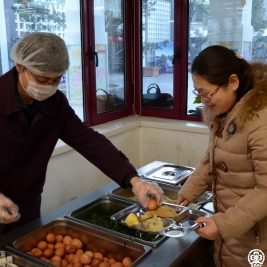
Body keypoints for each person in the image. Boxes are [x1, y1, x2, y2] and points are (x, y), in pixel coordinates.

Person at [0, 32, 164, 235]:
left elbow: (89, 142)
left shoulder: (56, 103)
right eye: (42, 79)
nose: (48, 86)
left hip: (26, 206)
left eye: (56, 80)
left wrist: (134, 180)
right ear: (20, 67)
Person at [177, 45, 267, 267]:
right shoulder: (225, 114)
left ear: (233, 82)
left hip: (256, 235)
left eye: (207, 93)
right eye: (198, 93)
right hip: (235, 228)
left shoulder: (261, 120)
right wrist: (189, 191)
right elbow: (212, 158)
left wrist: (223, 224)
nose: (204, 100)